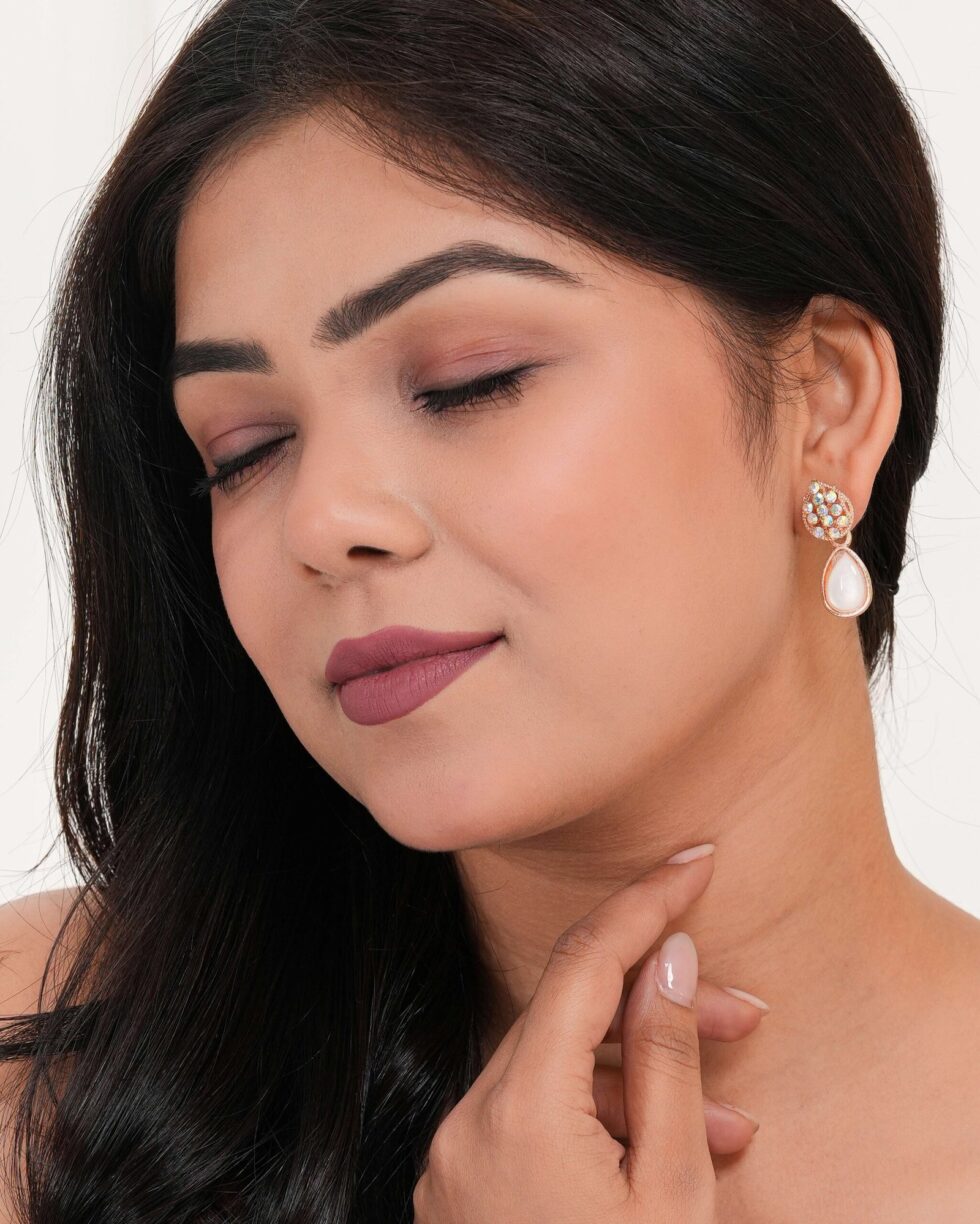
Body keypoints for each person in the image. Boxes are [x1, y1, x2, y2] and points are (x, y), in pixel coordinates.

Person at [2, 0, 978, 1219]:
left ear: (824, 401)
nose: (321, 521)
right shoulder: (48, 1091)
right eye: (244, 450)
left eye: (471, 381)